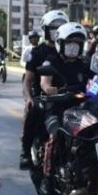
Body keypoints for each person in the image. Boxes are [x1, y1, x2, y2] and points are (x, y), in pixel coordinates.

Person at [21, 9, 68, 169]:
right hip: (43, 97)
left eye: (61, 27)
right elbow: (28, 80)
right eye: (54, 27)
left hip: (68, 95)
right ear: (46, 29)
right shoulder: (37, 52)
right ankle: (25, 152)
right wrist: (29, 98)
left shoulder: (69, 50)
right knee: (33, 109)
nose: (57, 31)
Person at [38, 23, 92, 163]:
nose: (73, 45)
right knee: (56, 136)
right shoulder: (52, 61)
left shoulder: (85, 64)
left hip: (81, 109)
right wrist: (49, 88)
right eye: (69, 42)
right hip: (56, 108)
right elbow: (44, 81)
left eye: (77, 42)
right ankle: (47, 177)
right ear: (60, 43)